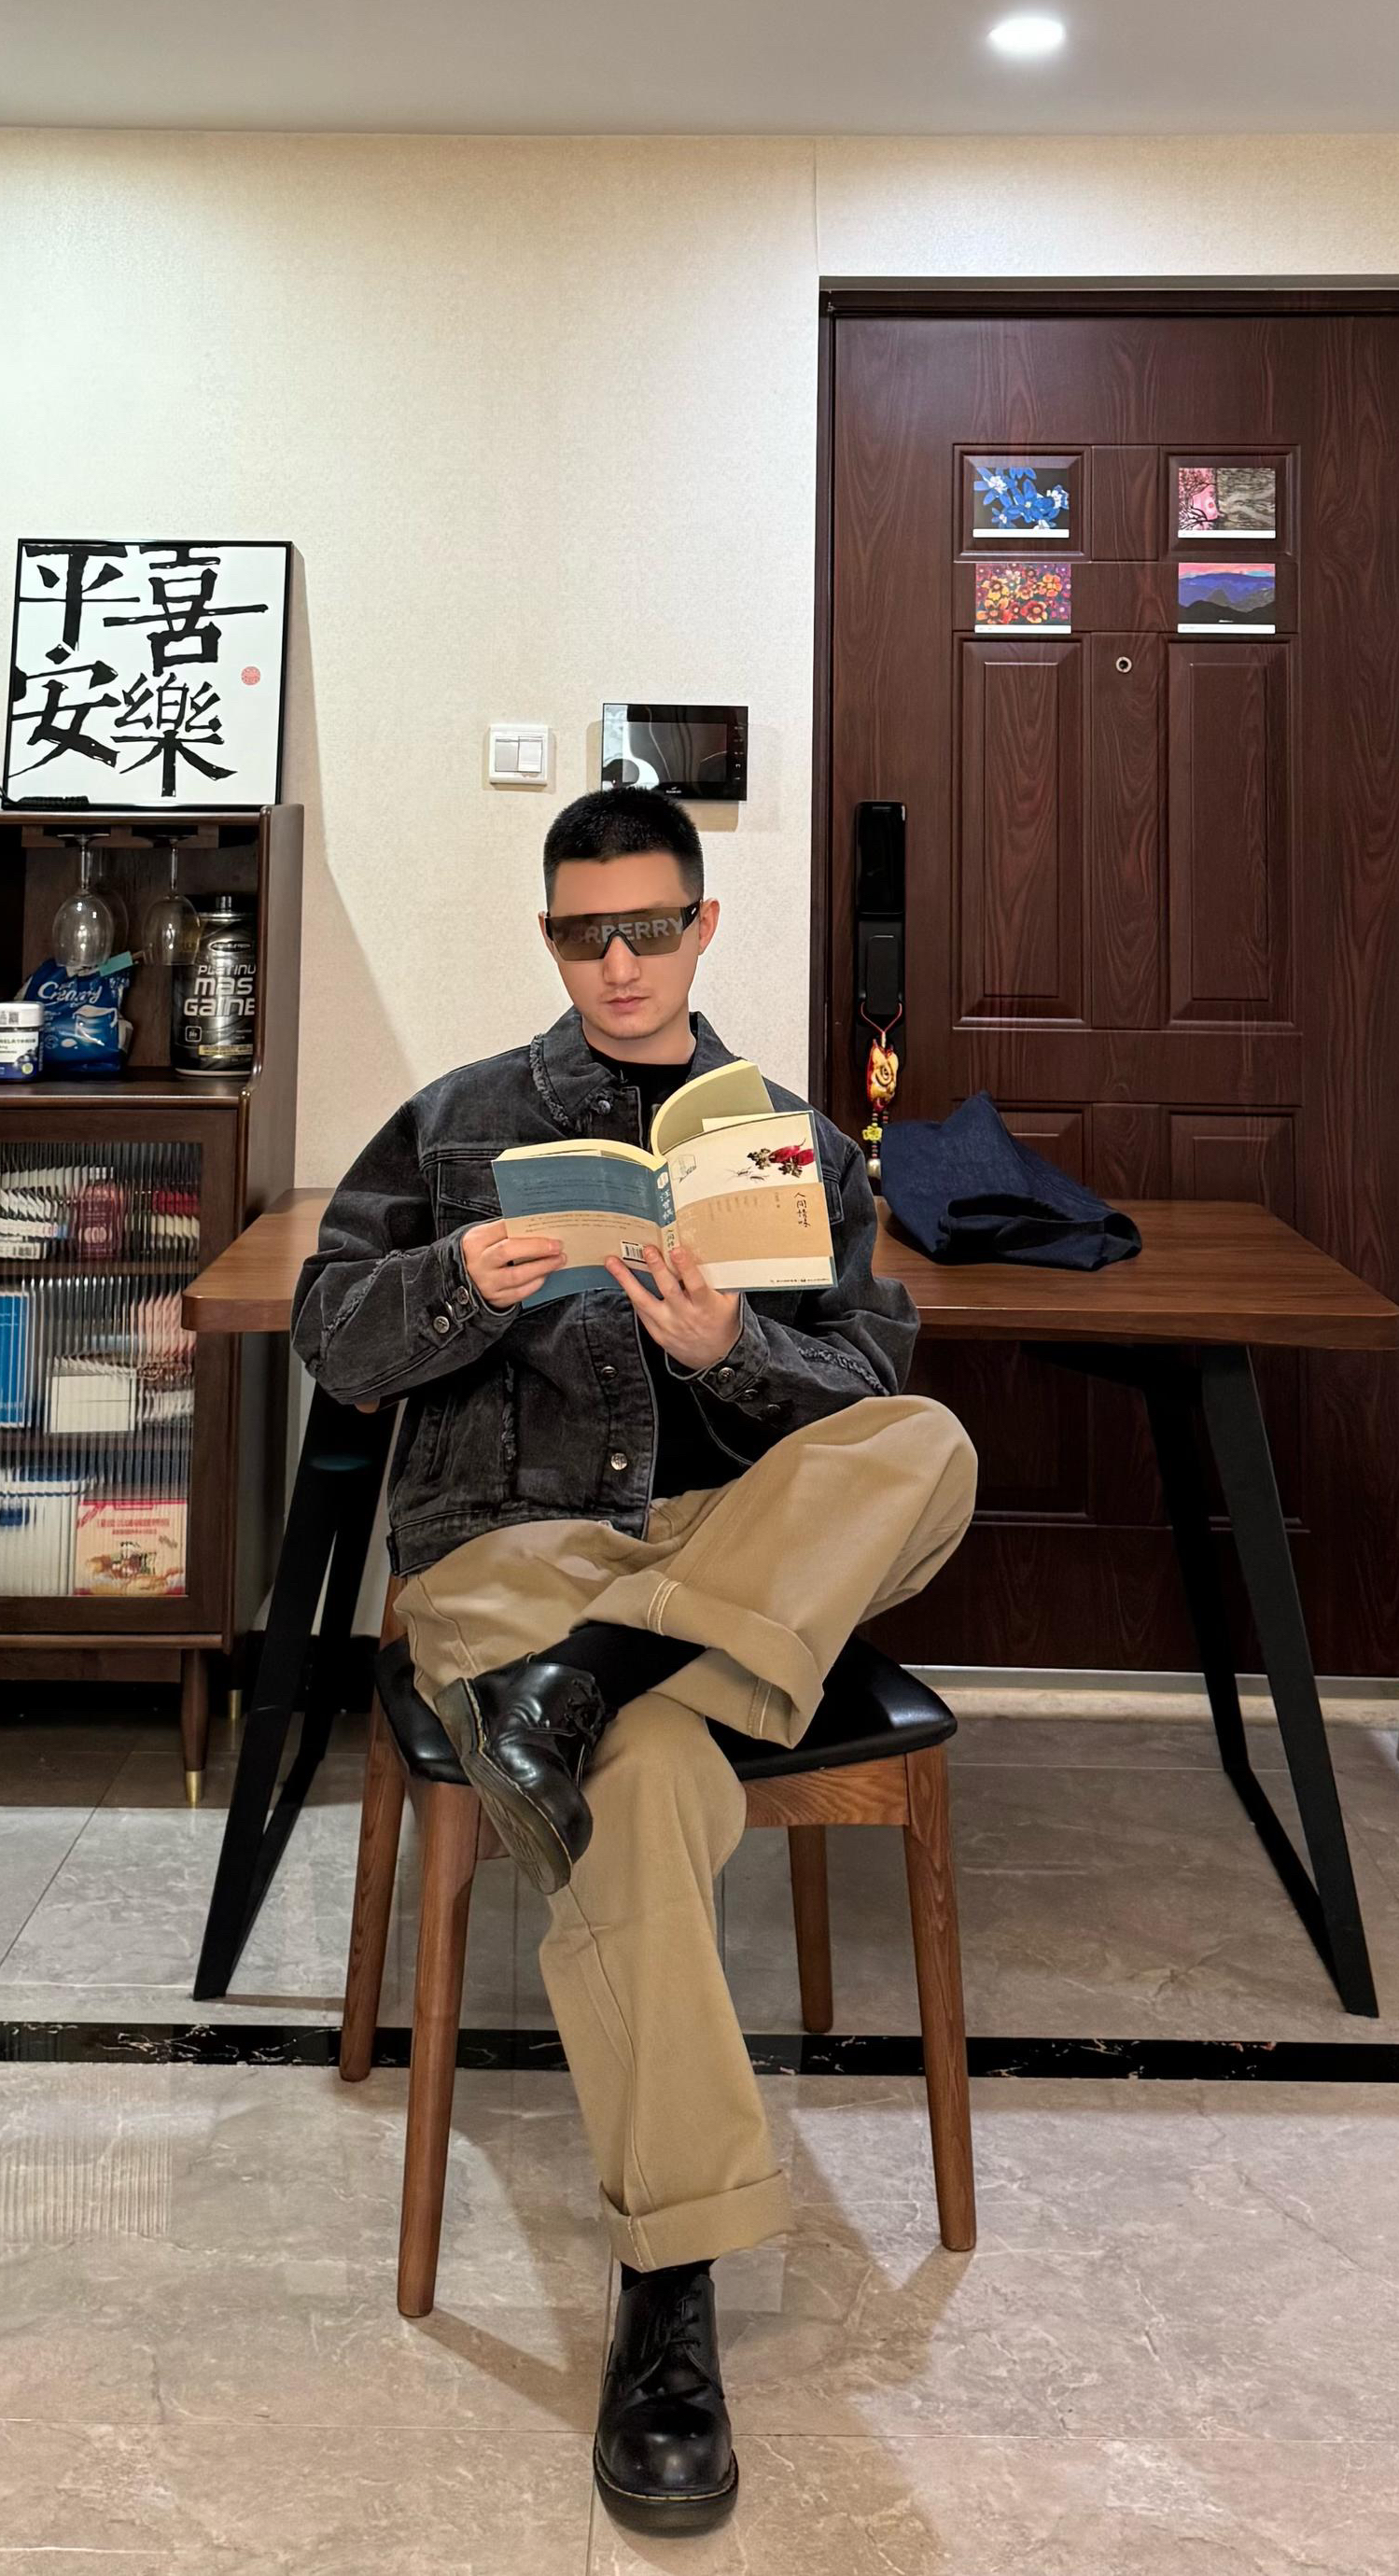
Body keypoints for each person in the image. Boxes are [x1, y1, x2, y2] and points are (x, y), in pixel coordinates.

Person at [293, 784, 977, 2540]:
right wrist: (460, 1278)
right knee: (645, 1778)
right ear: (550, 938)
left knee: (930, 1450)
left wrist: (733, 1348)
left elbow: (866, 1393)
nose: (616, 962)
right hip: (512, 1560)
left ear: (700, 927)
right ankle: (670, 2299)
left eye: (648, 928)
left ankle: (590, 1679)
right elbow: (333, 1343)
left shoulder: (794, 1147)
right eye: (581, 933)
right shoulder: (455, 1124)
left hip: (713, 1548)